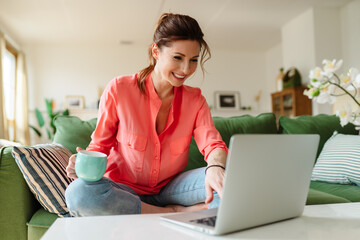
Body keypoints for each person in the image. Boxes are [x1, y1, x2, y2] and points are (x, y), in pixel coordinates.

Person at [65, 13, 228, 216]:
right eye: (177, 58)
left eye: (193, 60)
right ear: (156, 51)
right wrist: (82, 166)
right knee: (78, 194)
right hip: (122, 190)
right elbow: (100, 146)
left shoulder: (195, 101)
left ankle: (165, 210)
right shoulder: (119, 89)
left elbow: (213, 145)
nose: (186, 69)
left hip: (172, 189)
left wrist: (215, 167)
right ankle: (171, 213)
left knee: (229, 182)